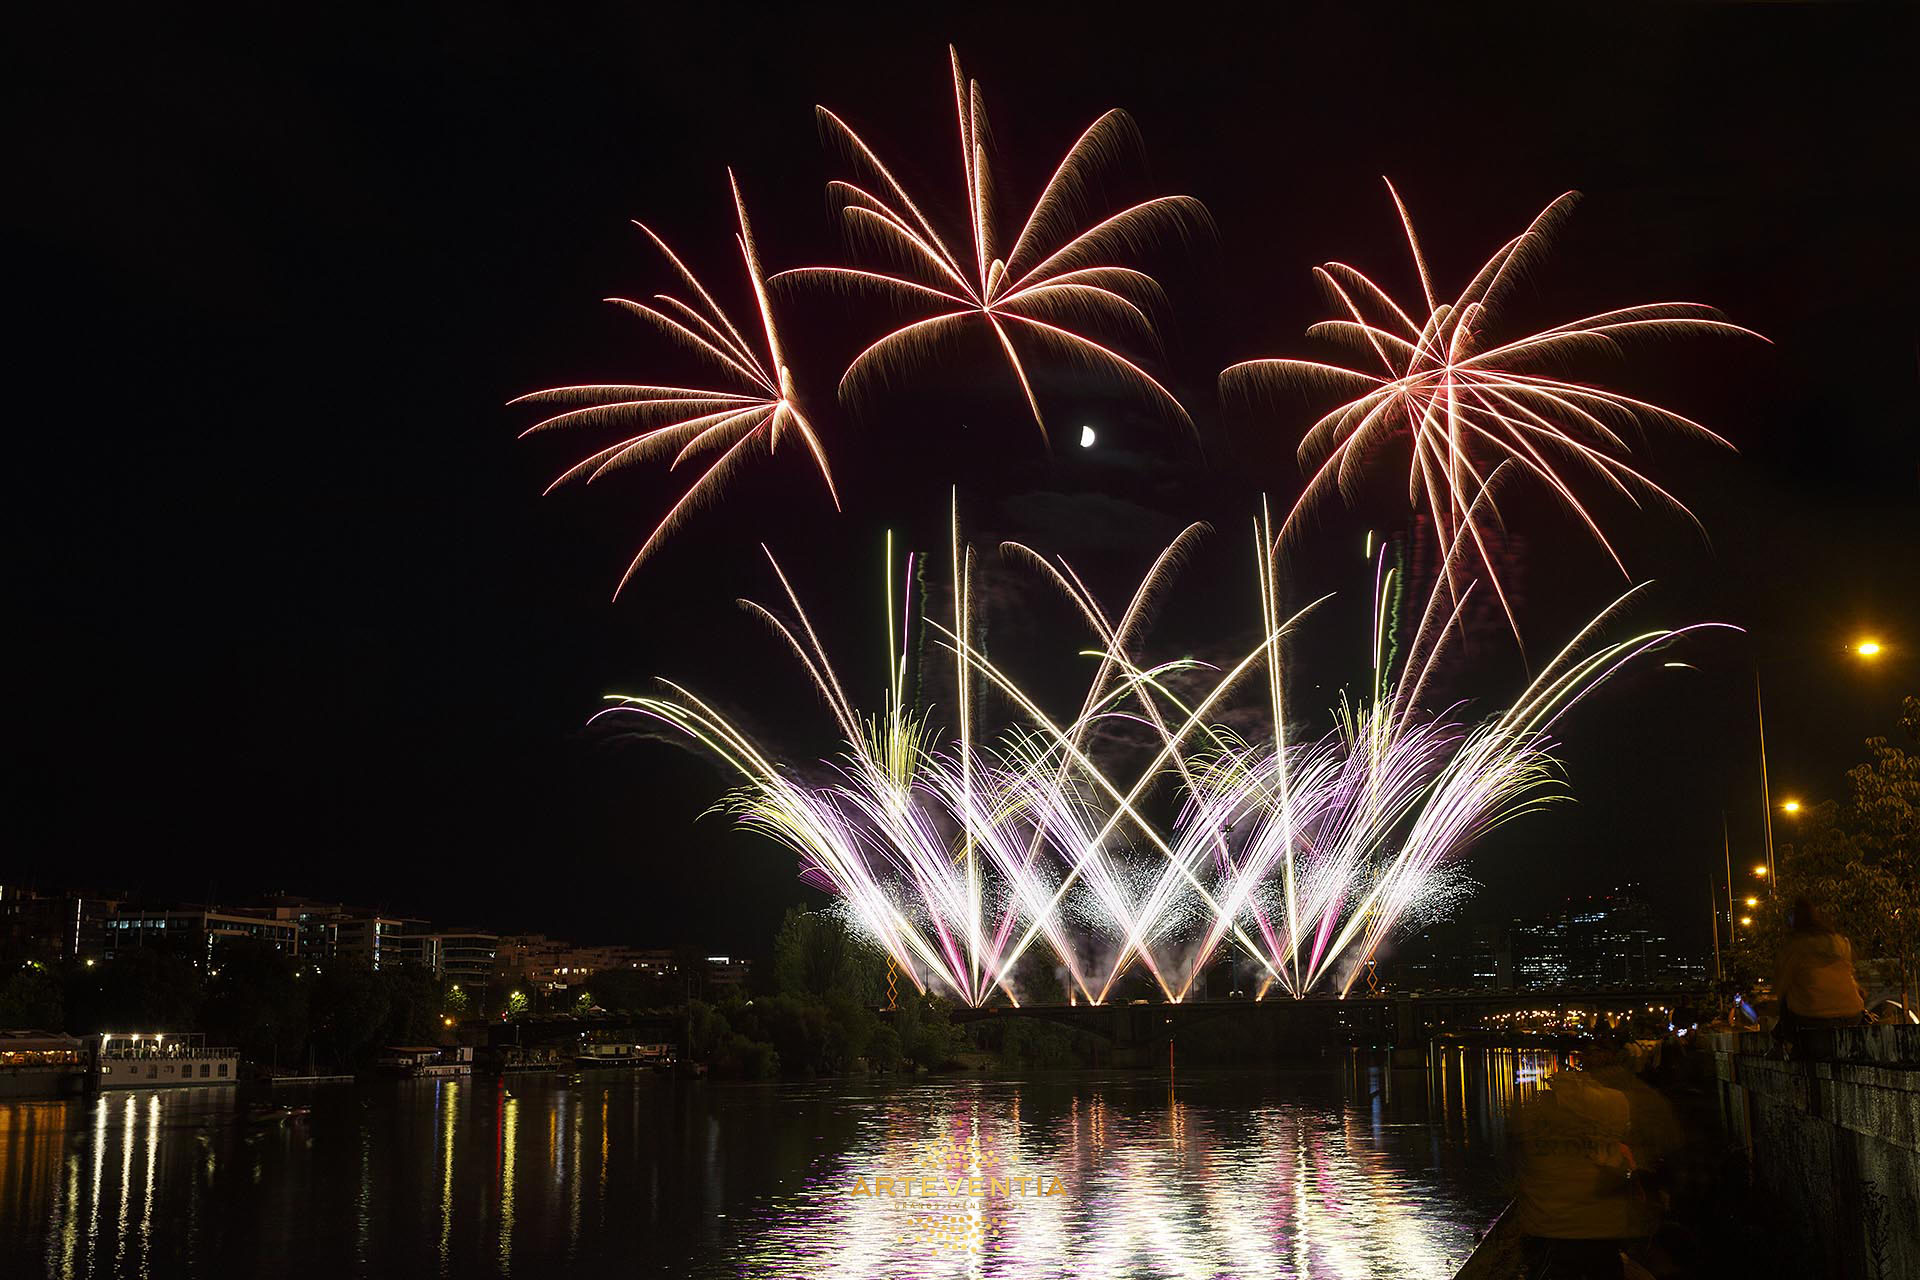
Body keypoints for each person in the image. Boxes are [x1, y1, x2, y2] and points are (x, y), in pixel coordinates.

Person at [1509, 1038, 1660, 1278]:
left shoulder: (1541, 1116)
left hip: (1557, 1226)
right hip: (1600, 1227)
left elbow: (1525, 1158)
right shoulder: (1618, 1101)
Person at [1772, 898, 1867, 1049]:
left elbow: (1781, 985)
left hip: (1814, 1017)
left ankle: (1785, 1044)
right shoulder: (1840, 941)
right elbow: (1850, 973)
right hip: (1854, 1014)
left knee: (1786, 999)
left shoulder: (1794, 946)